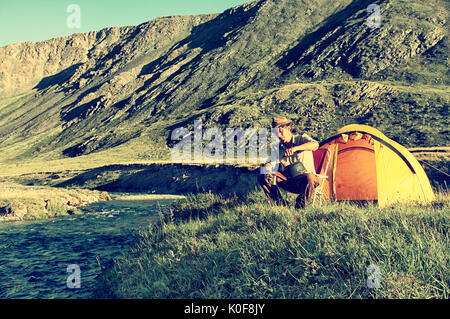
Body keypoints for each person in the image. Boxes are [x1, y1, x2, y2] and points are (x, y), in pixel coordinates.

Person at [258, 116, 320, 209]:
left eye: (280, 131)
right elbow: (271, 163)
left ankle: (299, 205)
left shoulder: (301, 138)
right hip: (288, 181)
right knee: (263, 175)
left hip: (305, 181)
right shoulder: (278, 148)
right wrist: (268, 167)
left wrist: (295, 148)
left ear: (288, 128)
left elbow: (315, 145)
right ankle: (281, 205)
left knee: (310, 177)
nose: (278, 135)